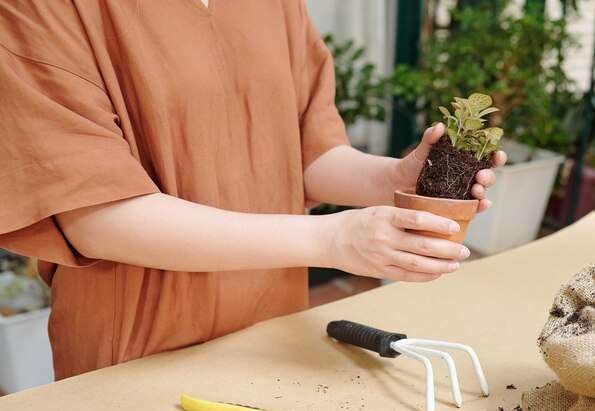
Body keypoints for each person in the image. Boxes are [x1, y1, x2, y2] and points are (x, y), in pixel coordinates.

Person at [0, 1, 506, 380]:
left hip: (275, 334)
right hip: (138, 352)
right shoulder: (44, 9)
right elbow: (93, 216)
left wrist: (392, 180)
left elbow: (306, 153)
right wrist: (334, 240)